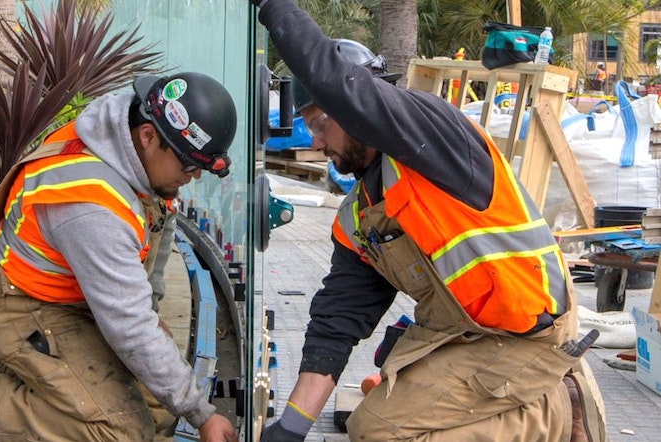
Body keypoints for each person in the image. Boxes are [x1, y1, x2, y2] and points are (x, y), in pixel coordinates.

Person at [249, 1, 606, 441]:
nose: (317, 142)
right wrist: (290, 429)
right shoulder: (359, 219)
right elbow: (336, 323)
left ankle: (556, 411)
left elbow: (343, 88)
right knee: (371, 417)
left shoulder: (435, 137)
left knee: (381, 432)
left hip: (529, 332)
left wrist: (272, 7)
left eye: (321, 124)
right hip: (466, 334)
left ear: (361, 106)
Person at [0, 72, 239, 442]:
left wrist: (155, 333)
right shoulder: (92, 204)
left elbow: (148, 274)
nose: (194, 177)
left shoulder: (130, 144)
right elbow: (129, 326)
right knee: (121, 430)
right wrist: (202, 414)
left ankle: (24, 381)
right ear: (150, 136)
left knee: (158, 401)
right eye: (189, 166)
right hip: (25, 309)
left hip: (74, 298)